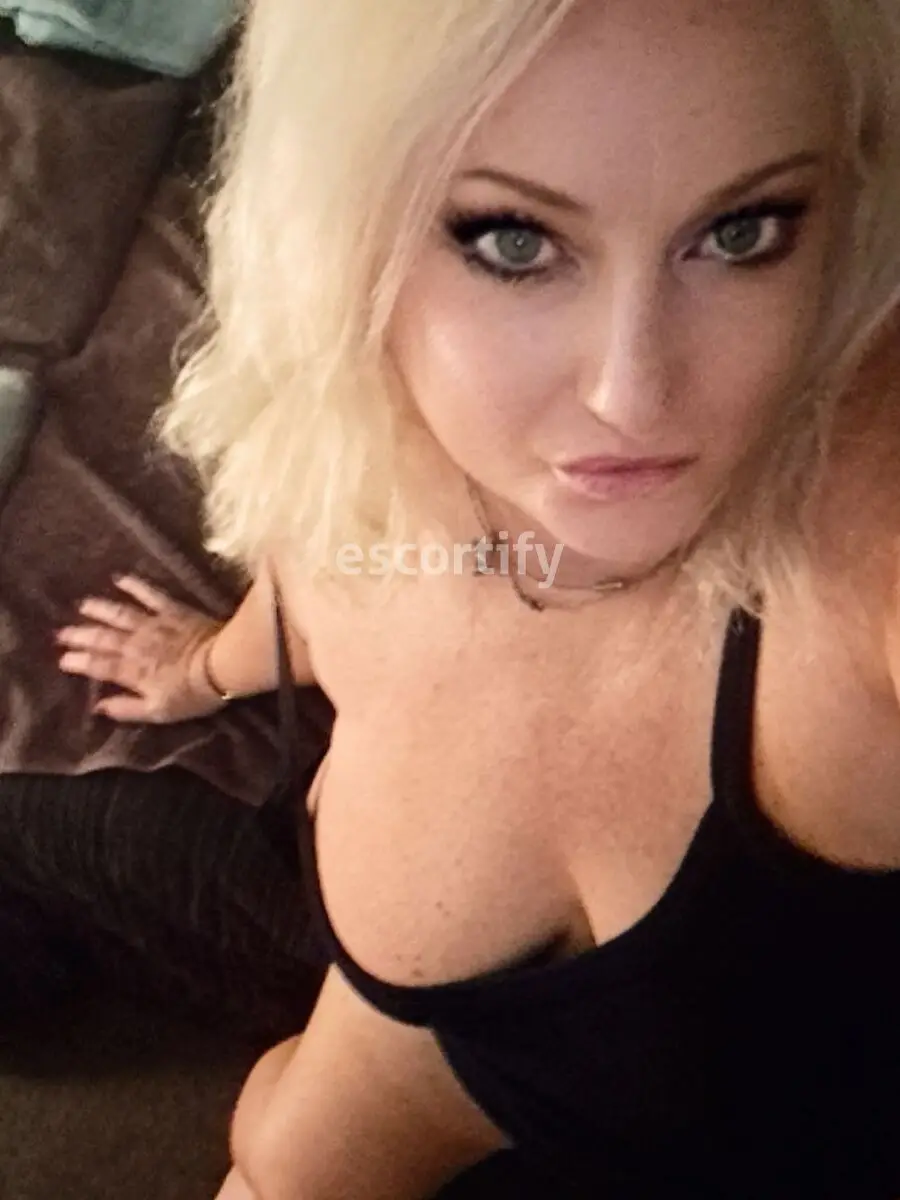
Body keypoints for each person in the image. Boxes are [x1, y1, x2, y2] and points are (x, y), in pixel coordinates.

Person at [57, 0, 900, 1195]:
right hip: (430, 1046)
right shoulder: (364, 464)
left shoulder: (864, 511)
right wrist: (199, 668)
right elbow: (315, 576)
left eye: (742, 231)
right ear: (342, 233)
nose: (632, 396)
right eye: (513, 241)